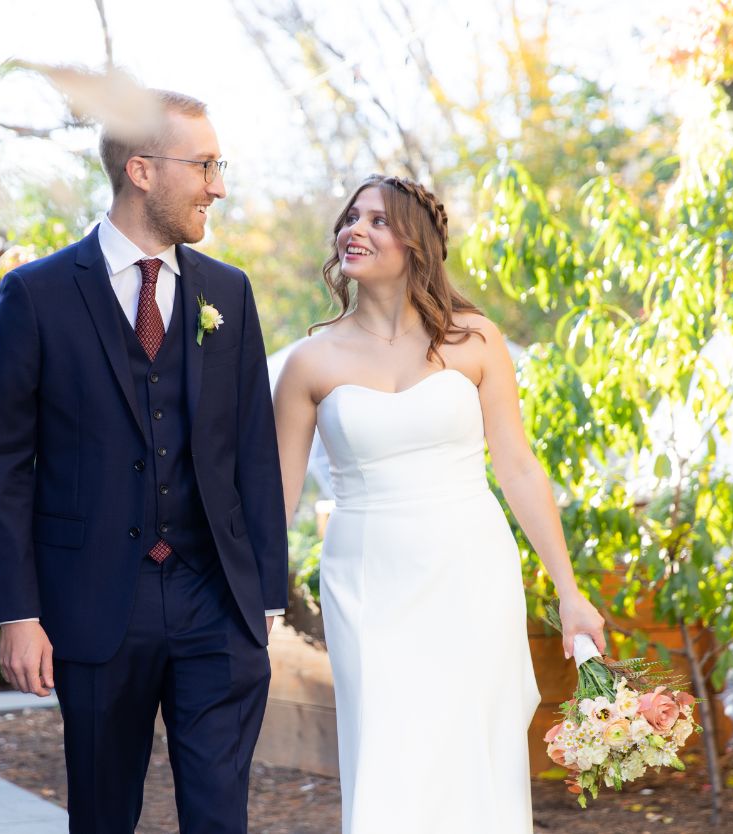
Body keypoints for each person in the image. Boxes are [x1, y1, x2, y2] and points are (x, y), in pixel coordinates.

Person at [0, 89, 288, 834]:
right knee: (104, 812)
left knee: (220, 815)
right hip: (92, 603)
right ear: (142, 170)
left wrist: (263, 600)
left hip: (216, 601)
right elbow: (2, 465)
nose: (219, 184)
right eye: (205, 164)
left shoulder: (229, 295)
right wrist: (16, 611)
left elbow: (252, 452)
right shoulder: (36, 296)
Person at [272, 174, 607, 833]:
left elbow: (516, 466)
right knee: (387, 752)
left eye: (377, 220)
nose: (355, 230)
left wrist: (569, 590)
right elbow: (277, 499)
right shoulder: (309, 362)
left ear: (417, 245)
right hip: (367, 579)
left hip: (471, 567)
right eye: (350, 218)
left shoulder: (475, 339)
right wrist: (257, 603)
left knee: (474, 750)